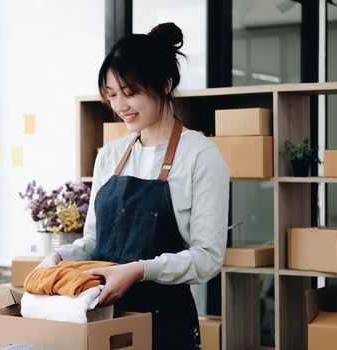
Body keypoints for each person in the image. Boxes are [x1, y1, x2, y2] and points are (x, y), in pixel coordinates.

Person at [37, 22, 230, 349]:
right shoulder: (109, 155)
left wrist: (139, 270)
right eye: (112, 95)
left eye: (131, 93)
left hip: (166, 324)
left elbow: (208, 258)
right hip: (102, 318)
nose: (120, 106)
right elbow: (94, 241)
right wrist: (58, 256)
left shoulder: (200, 156)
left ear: (165, 85)